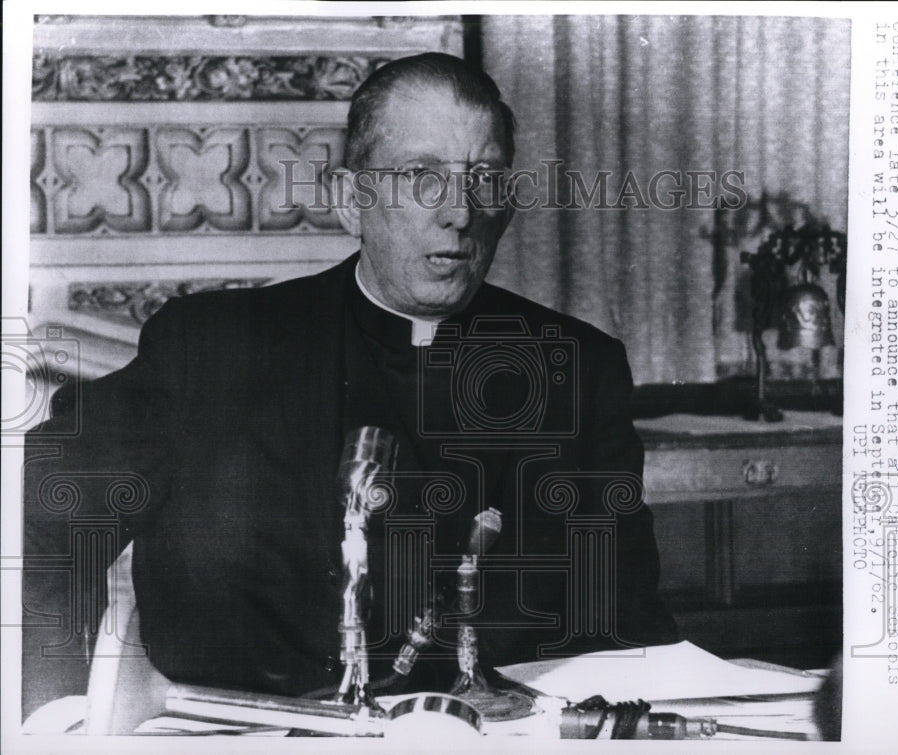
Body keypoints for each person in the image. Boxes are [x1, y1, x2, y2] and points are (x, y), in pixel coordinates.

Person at [22, 53, 677, 717]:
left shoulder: (575, 368)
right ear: (348, 199)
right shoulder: (212, 349)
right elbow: (37, 516)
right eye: (421, 176)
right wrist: (53, 717)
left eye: (485, 178)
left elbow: (626, 623)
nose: (459, 212)